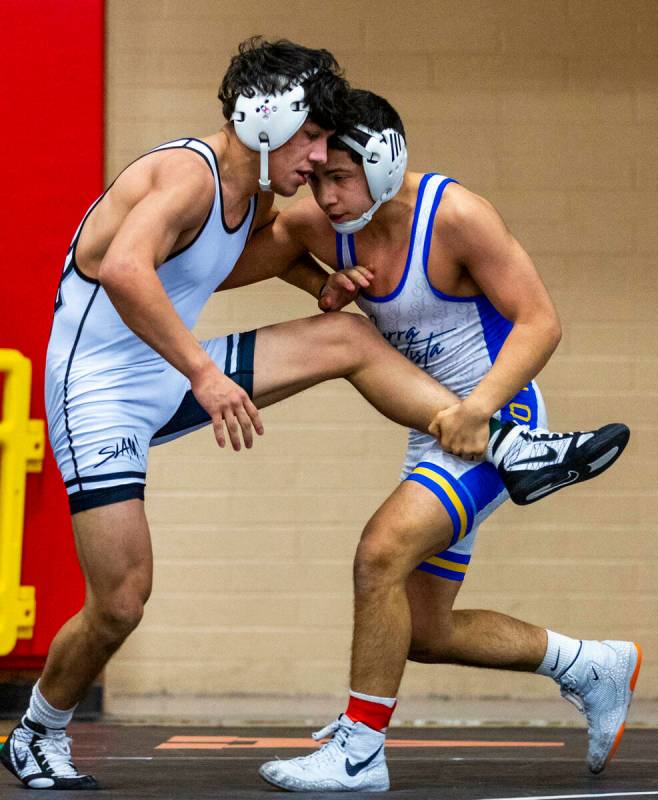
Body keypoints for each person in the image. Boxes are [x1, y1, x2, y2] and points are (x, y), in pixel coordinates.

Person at [0, 39, 628, 790]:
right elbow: (129, 270)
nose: (317, 170)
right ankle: (39, 730)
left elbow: (233, 260)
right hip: (97, 389)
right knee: (122, 601)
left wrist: (320, 287)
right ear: (266, 122)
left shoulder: (265, 197)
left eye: (335, 162)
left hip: (174, 369)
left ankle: (508, 449)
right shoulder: (184, 176)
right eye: (311, 146)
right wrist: (205, 371)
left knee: (346, 341)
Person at [218, 90, 639, 793]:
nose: (324, 195)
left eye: (339, 177)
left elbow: (540, 323)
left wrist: (480, 409)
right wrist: (322, 284)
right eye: (316, 177)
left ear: (385, 163)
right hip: (437, 432)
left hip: (500, 420)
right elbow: (227, 266)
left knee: (379, 553)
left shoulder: (456, 216)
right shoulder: (323, 226)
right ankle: (590, 665)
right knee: (423, 630)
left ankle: (359, 749)